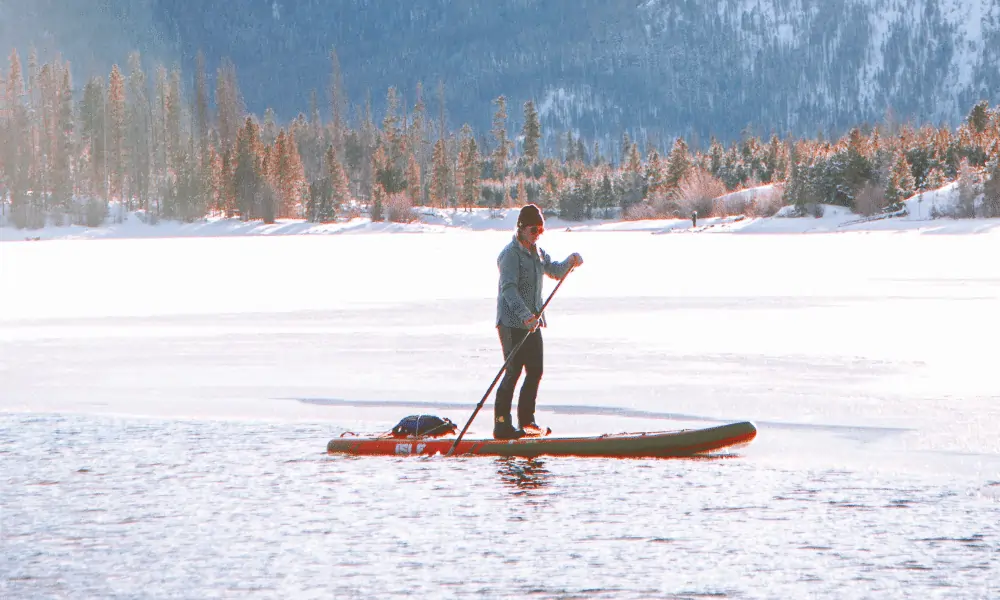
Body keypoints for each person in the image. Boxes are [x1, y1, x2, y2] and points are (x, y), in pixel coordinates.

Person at [493, 204, 583, 439]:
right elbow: (508, 291)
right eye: (533, 230)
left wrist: (570, 262)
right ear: (521, 228)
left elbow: (554, 271)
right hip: (512, 323)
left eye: (540, 230)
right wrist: (526, 316)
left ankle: (527, 422)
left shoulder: (538, 253)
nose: (537, 235)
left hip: (532, 324)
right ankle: (502, 424)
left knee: (535, 371)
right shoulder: (510, 255)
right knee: (513, 371)